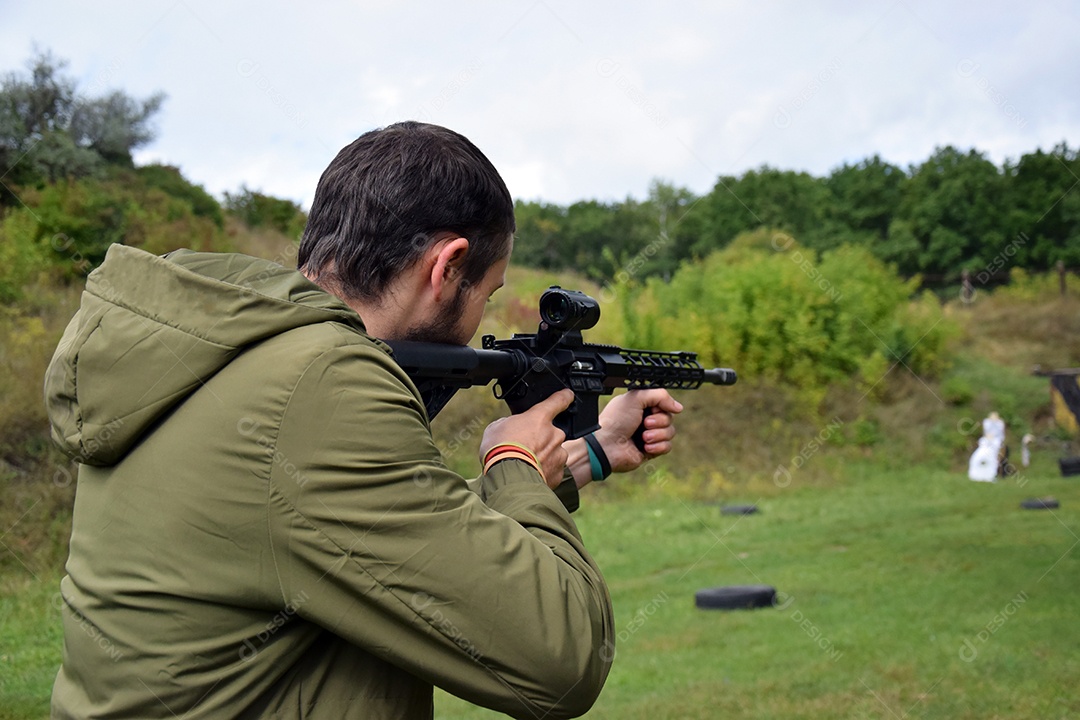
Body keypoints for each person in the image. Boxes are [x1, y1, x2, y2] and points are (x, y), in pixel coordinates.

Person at [44, 122, 684, 719]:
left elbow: (360, 530)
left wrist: (583, 456)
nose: (476, 327)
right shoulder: (323, 382)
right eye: (484, 296)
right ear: (447, 266)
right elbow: (563, 658)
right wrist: (513, 466)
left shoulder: (220, 352)